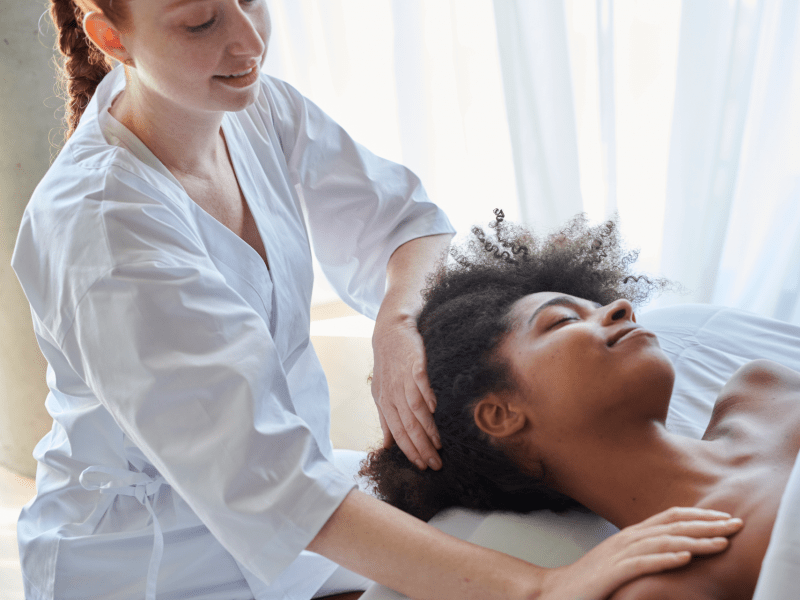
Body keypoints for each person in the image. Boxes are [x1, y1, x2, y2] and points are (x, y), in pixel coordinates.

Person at [11, 1, 744, 598]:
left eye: (252, 0)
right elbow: (265, 482)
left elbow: (406, 223)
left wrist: (397, 322)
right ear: (111, 37)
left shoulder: (251, 107)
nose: (246, 39)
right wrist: (543, 589)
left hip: (298, 497)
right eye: (201, 21)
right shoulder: (105, 231)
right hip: (150, 562)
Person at [361, 212, 799, 599]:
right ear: (501, 414)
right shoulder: (669, 586)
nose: (621, 309)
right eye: (564, 320)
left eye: (601, 304)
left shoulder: (762, 390)